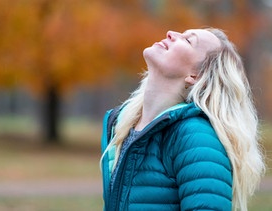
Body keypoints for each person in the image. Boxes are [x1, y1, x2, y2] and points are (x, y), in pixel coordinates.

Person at [100, 28, 265, 211]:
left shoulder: (196, 137)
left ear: (194, 76)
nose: (171, 33)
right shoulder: (123, 126)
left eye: (188, 41)